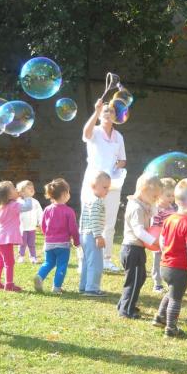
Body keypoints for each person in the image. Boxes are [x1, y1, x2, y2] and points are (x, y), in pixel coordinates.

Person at [152, 179, 187, 337]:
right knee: (176, 298)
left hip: (165, 266)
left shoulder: (169, 220)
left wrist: (166, 252)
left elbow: (162, 241)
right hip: (179, 269)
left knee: (171, 292)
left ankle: (160, 317)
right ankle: (171, 327)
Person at [82, 98, 126, 273]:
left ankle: (106, 259)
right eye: (105, 111)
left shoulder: (119, 136)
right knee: (89, 218)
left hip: (112, 182)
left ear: (116, 116)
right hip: (93, 180)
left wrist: (116, 167)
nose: (108, 113)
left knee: (109, 221)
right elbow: (86, 133)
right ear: (100, 114)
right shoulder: (96, 131)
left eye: (112, 111)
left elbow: (123, 159)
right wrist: (95, 110)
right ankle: (83, 258)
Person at [117, 174, 162, 319]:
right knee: (134, 280)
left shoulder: (142, 205)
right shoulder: (136, 208)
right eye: (154, 196)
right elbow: (139, 231)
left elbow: (154, 213)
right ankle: (126, 310)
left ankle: (125, 303)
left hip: (136, 249)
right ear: (143, 190)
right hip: (132, 249)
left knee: (139, 277)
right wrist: (155, 241)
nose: (156, 200)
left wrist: (151, 206)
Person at [34, 178, 80, 294]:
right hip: (62, 244)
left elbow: (42, 225)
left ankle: (40, 276)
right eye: (68, 192)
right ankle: (56, 287)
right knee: (62, 265)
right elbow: (73, 228)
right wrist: (76, 241)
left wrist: (48, 235)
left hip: (49, 243)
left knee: (48, 262)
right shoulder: (69, 211)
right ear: (64, 194)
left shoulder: (47, 209)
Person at [0, 181, 33, 292]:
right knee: (9, 262)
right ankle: (9, 284)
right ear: (8, 195)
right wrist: (27, 196)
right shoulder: (13, 205)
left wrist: (20, 197)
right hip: (5, 240)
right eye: (13, 188)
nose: (16, 189)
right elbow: (28, 207)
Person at [79, 171, 111, 296]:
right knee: (96, 263)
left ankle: (84, 286)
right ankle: (92, 288)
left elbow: (83, 218)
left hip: (84, 234)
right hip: (92, 235)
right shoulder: (97, 202)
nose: (107, 190)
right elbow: (94, 219)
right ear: (93, 186)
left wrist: (80, 233)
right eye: (104, 187)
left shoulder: (88, 200)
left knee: (87, 262)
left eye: (108, 187)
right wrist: (98, 235)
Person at [150, 177, 177, 293]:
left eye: (173, 195)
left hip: (171, 241)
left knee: (170, 261)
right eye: (168, 195)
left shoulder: (173, 208)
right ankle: (157, 284)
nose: (171, 198)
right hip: (159, 241)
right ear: (159, 194)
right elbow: (154, 227)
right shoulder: (157, 210)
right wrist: (157, 240)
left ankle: (170, 280)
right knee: (158, 262)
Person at [16, 180, 43, 264]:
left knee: (32, 243)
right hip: (22, 227)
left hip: (32, 227)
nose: (32, 190)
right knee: (22, 243)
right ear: (21, 192)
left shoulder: (35, 202)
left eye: (32, 188)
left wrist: (41, 222)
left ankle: (33, 257)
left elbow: (40, 213)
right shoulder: (18, 202)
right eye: (29, 188)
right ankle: (21, 256)